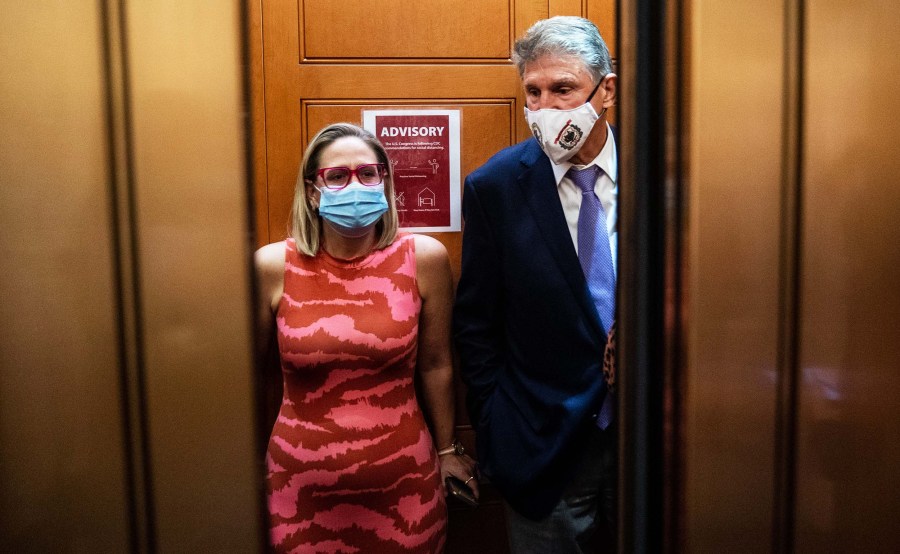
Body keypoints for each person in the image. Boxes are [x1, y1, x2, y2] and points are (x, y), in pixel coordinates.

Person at [255, 123, 477, 553]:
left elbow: (436, 365)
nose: (354, 185)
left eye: (367, 173)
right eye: (337, 176)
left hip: (404, 489)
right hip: (297, 493)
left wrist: (449, 448)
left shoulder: (424, 258)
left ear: (385, 181)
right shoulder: (271, 266)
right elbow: (245, 378)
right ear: (313, 190)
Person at [453, 16, 618, 552]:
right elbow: (477, 324)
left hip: (660, 439)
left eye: (563, 89)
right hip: (544, 445)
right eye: (533, 92)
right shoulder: (495, 187)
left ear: (605, 90)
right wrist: (496, 424)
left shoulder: (671, 172)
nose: (545, 108)